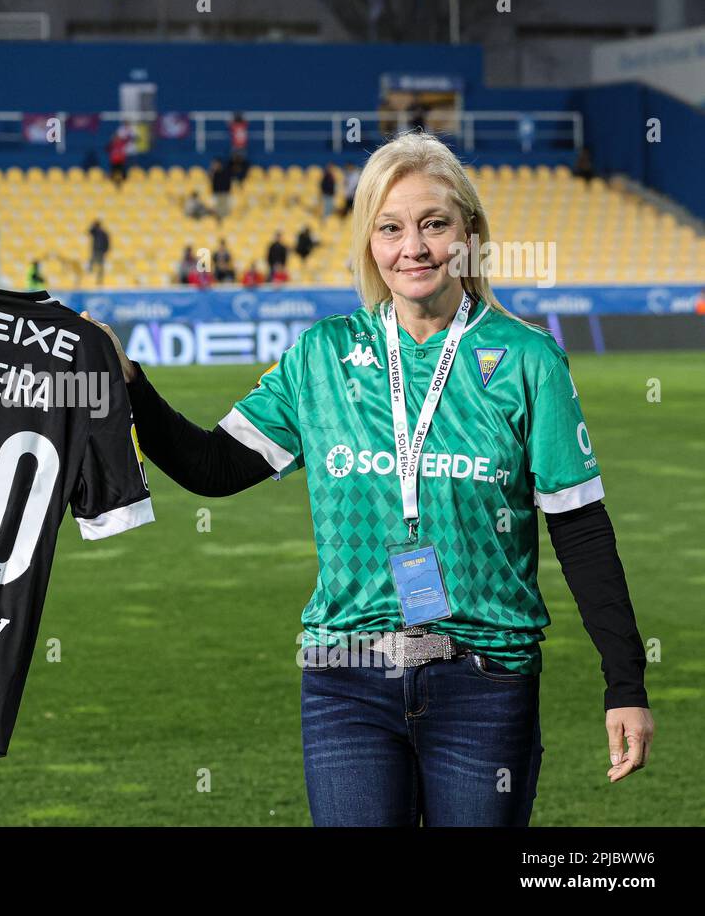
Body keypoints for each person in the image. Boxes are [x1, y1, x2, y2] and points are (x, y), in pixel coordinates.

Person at [84, 130, 653, 826]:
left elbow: (581, 530)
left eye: (434, 224)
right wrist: (131, 381)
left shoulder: (528, 360)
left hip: (484, 682)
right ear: (369, 241)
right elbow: (212, 467)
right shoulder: (321, 357)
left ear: (469, 235)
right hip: (344, 680)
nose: (412, 247)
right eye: (391, 228)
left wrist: (625, 683)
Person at [87, 219, 111, 284]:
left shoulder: (104, 233)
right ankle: (90, 272)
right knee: (92, 262)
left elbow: (107, 242)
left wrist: (106, 250)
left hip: (101, 251)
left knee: (100, 265)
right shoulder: (95, 232)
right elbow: (89, 232)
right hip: (96, 250)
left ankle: (99, 279)